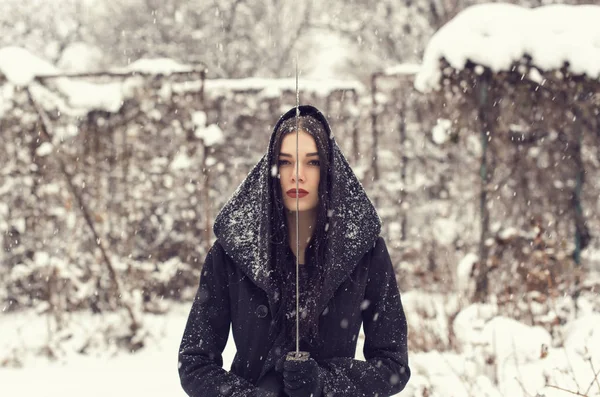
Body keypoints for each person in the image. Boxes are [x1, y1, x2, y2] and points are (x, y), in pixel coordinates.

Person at [178, 105, 410, 397]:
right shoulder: (230, 253)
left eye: (311, 162)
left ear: (328, 169)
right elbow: (194, 362)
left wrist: (325, 382)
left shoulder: (365, 252)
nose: (297, 175)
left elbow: (393, 365)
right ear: (271, 169)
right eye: (285, 162)